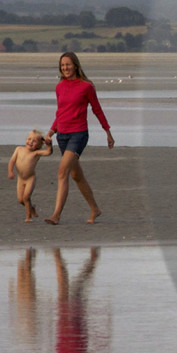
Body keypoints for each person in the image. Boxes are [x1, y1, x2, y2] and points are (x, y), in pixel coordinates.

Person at [43, 51, 114, 224]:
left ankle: (56, 215)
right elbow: (61, 113)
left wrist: (108, 132)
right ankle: (95, 209)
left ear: (75, 65)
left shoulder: (86, 86)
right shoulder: (59, 87)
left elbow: (97, 109)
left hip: (79, 134)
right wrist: (51, 131)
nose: (65, 68)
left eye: (68, 64)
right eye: (62, 65)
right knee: (76, 176)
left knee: (62, 172)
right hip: (63, 136)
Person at [7, 129, 53, 222]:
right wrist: (10, 171)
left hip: (30, 179)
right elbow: (12, 161)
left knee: (26, 197)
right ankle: (31, 208)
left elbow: (48, 152)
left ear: (39, 145)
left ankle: (28, 217)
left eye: (34, 141)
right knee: (20, 200)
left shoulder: (36, 153)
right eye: (29, 139)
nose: (30, 142)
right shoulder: (19, 149)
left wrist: (49, 146)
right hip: (20, 179)